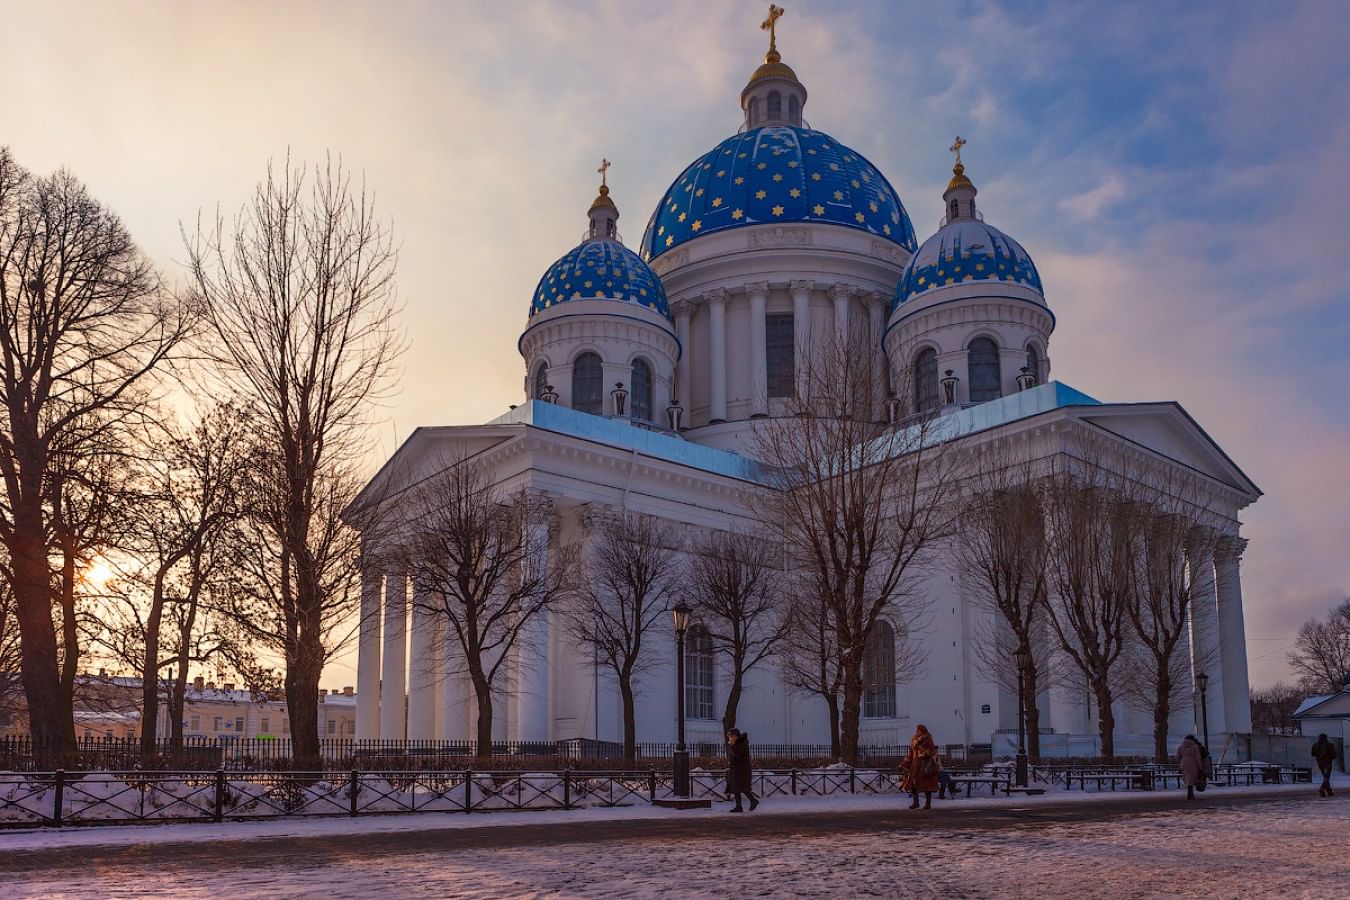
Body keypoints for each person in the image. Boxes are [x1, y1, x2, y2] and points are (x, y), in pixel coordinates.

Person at [901, 724, 940, 810]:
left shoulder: (928, 738)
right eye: (916, 730)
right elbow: (911, 752)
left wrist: (924, 751)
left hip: (925, 764)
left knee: (927, 785)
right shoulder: (914, 739)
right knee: (913, 783)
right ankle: (915, 802)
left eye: (918, 730)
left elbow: (932, 751)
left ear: (923, 731)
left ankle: (928, 804)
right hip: (915, 764)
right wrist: (905, 762)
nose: (916, 732)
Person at [726, 729, 758, 813]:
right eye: (729, 737)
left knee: (743, 788)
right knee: (736, 788)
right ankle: (739, 806)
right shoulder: (736, 744)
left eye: (731, 737)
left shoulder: (742, 744)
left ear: (736, 736)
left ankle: (753, 801)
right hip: (736, 769)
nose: (730, 738)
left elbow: (739, 756)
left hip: (742, 770)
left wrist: (732, 747)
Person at [1177, 734, 1204, 800]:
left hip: (1184, 763)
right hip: (1192, 763)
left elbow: (1177, 757)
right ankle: (1190, 793)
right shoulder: (1195, 747)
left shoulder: (1180, 747)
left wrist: (1180, 762)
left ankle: (1190, 792)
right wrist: (1200, 767)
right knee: (1191, 778)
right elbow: (1197, 757)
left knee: (1187, 777)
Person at [1311, 733, 1338, 797]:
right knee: (1326, 777)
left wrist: (1318, 756)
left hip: (1320, 763)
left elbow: (1312, 754)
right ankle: (1322, 788)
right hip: (1328, 763)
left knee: (1325, 777)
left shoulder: (1315, 745)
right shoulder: (1329, 745)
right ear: (1326, 738)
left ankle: (1329, 790)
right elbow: (1334, 754)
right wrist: (1331, 757)